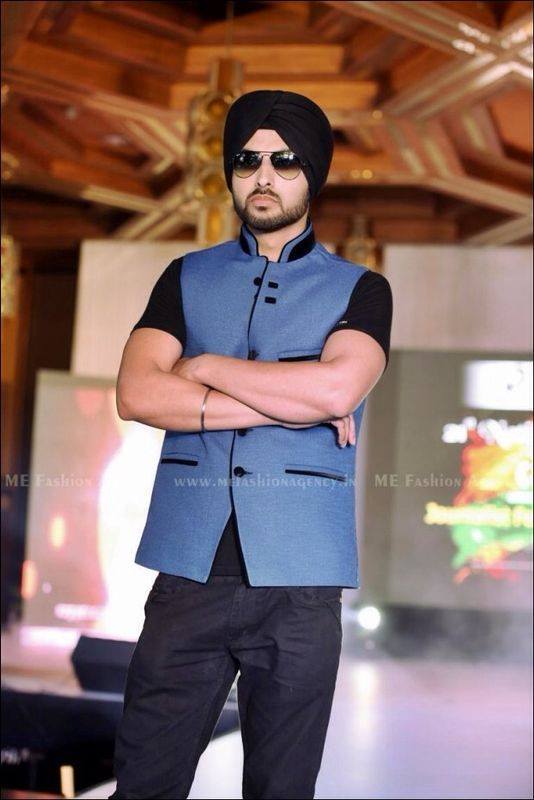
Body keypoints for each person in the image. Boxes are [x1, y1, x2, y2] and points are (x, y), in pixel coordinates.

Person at [109, 89, 393, 799]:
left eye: (284, 161)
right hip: (187, 575)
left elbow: (337, 391)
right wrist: (288, 403)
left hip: (301, 587)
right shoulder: (186, 276)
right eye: (247, 161)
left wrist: (202, 367)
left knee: (280, 790)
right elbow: (137, 394)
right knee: (143, 784)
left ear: (311, 174)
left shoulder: (362, 289)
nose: (263, 176)